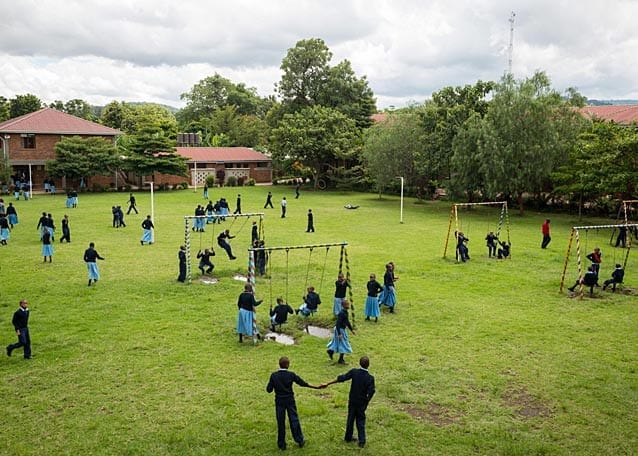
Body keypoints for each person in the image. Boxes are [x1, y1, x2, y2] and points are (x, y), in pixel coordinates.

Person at [266, 356, 322, 451]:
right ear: (288, 365)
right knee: (294, 419)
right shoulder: (291, 375)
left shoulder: (274, 375)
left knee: (281, 422)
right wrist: (315, 387)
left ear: (279, 365)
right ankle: (299, 440)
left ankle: (281, 444)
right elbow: (302, 383)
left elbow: (269, 390)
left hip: (279, 401)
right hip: (290, 400)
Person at [322, 356, 376, 448]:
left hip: (352, 401)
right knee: (360, 421)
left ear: (359, 363)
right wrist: (367, 402)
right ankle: (362, 441)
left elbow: (342, 378)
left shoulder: (354, 372)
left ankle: (348, 437)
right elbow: (371, 391)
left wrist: (328, 383)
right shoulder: (370, 378)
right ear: (368, 365)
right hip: (361, 403)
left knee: (350, 419)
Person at [327, 300, 355, 364]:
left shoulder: (346, 312)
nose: (348, 306)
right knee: (343, 344)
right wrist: (339, 333)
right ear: (343, 305)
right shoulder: (341, 313)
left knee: (337, 343)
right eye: (347, 304)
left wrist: (351, 329)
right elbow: (338, 324)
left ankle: (330, 351)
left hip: (342, 329)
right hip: (340, 329)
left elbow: (347, 321)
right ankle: (341, 359)